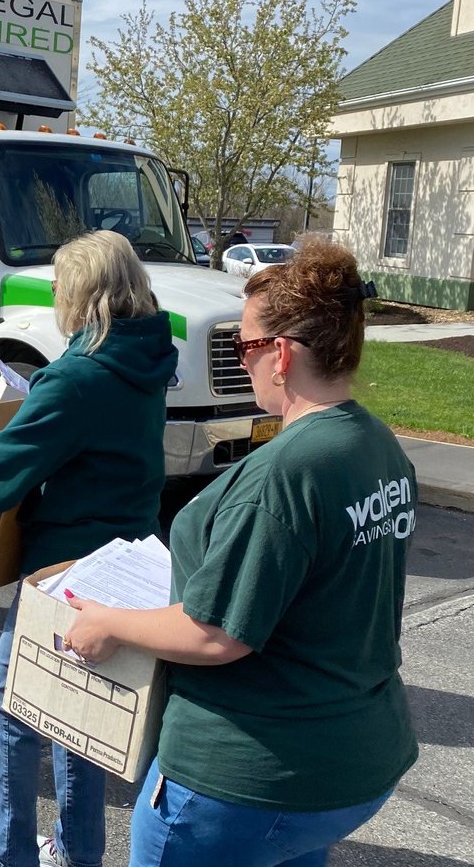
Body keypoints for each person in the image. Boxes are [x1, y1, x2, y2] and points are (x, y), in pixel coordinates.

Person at [62, 239, 419, 867]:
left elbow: (216, 635)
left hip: (244, 781)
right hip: (351, 763)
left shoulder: (285, 474)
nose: (241, 359)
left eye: (242, 346)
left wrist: (106, 622)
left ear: (280, 355)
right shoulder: (377, 445)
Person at [0, 230, 178, 867]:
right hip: (125, 555)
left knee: (9, 707)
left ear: (83, 294)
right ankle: (77, 854)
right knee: (75, 718)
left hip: (68, 563)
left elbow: (3, 467)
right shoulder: (149, 358)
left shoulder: (79, 375)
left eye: (59, 287)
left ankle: (6, 855)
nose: (55, 297)